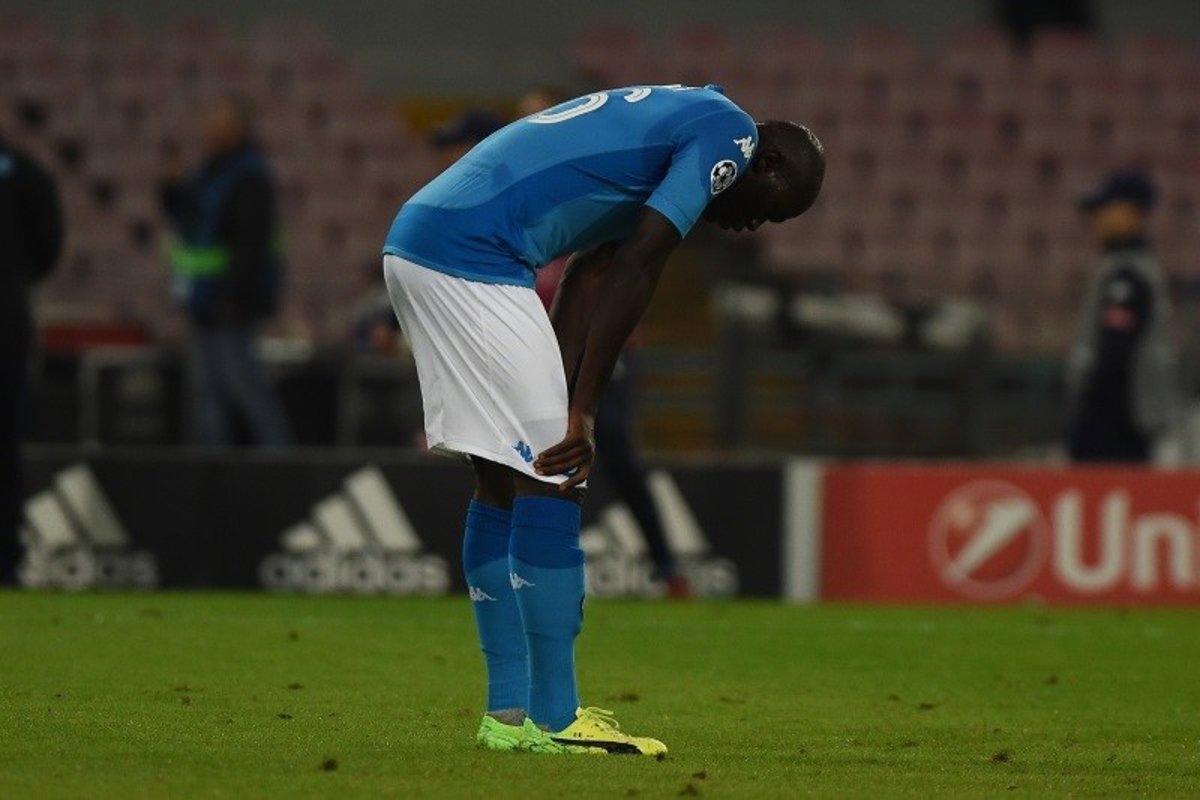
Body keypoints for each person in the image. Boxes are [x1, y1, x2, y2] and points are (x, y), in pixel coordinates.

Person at [381, 84, 824, 755]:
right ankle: (556, 719)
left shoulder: (677, 126)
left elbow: (594, 269)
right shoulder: (730, 135)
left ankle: (507, 718)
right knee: (556, 476)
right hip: (474, 256)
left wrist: (563, 393)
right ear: (767, 165)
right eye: (773, 209)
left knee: (502, 479)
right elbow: (640, 264)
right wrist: (582, 411)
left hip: (426, 241)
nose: (756, 225)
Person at [522, 86, 691, 598]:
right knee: (535, 456)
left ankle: (666, 566)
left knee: (612, 451)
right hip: (546, 351)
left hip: (603, 352)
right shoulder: (533, 188)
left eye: (538, 115)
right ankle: (539, 563)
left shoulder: (597, 179)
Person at [160, 95, 292, 447]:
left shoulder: (249, 177)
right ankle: (211, 464)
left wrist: (234, 298)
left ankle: (279, 459)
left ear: (238, 129)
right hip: (203, 300)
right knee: (208, 390)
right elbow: (191, 221)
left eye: (220, 124)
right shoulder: (209, 172)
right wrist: (171, 192)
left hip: (231, 303)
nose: (211, 131)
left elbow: (250, 245)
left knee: (244, 386)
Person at [1066, 169, 1178, 462]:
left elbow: (1115, 356)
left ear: (1131, 212)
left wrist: (1090, 421)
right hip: (1128, 420)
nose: (1098, 219)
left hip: (1121, 423)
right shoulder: (1126, 268)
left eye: (1106, 209)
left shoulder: (1128, 274)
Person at [0, 135, 64, 585]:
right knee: (5, 442)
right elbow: (47, 243)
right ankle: (6, 560)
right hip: (7, 313)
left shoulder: (22, 169)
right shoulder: (23, 169)